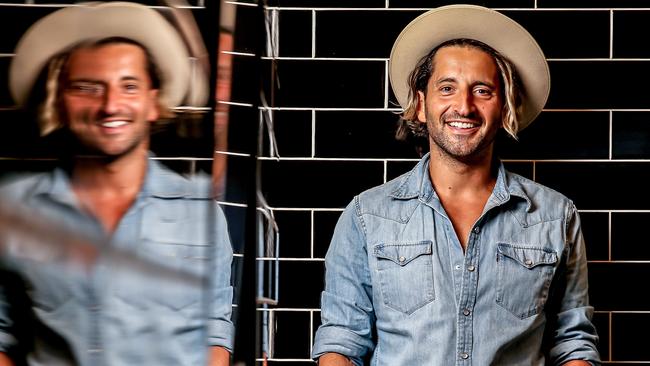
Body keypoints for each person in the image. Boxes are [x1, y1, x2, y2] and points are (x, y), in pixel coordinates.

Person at [312, 5, 600, 365]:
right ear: (421, 104)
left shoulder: (556, 216)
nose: (463, 106)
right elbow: (342, 341)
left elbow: (572, 341)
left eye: (482, 91)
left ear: (505, 109)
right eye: (446, 88)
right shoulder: (367, 215)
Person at [0, 2, 233, 365]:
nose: (110, 105)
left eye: (128, 85)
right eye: (88, 87)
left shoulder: (200, 215)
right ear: (60, 101)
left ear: (153, 102)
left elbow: (215, 334)